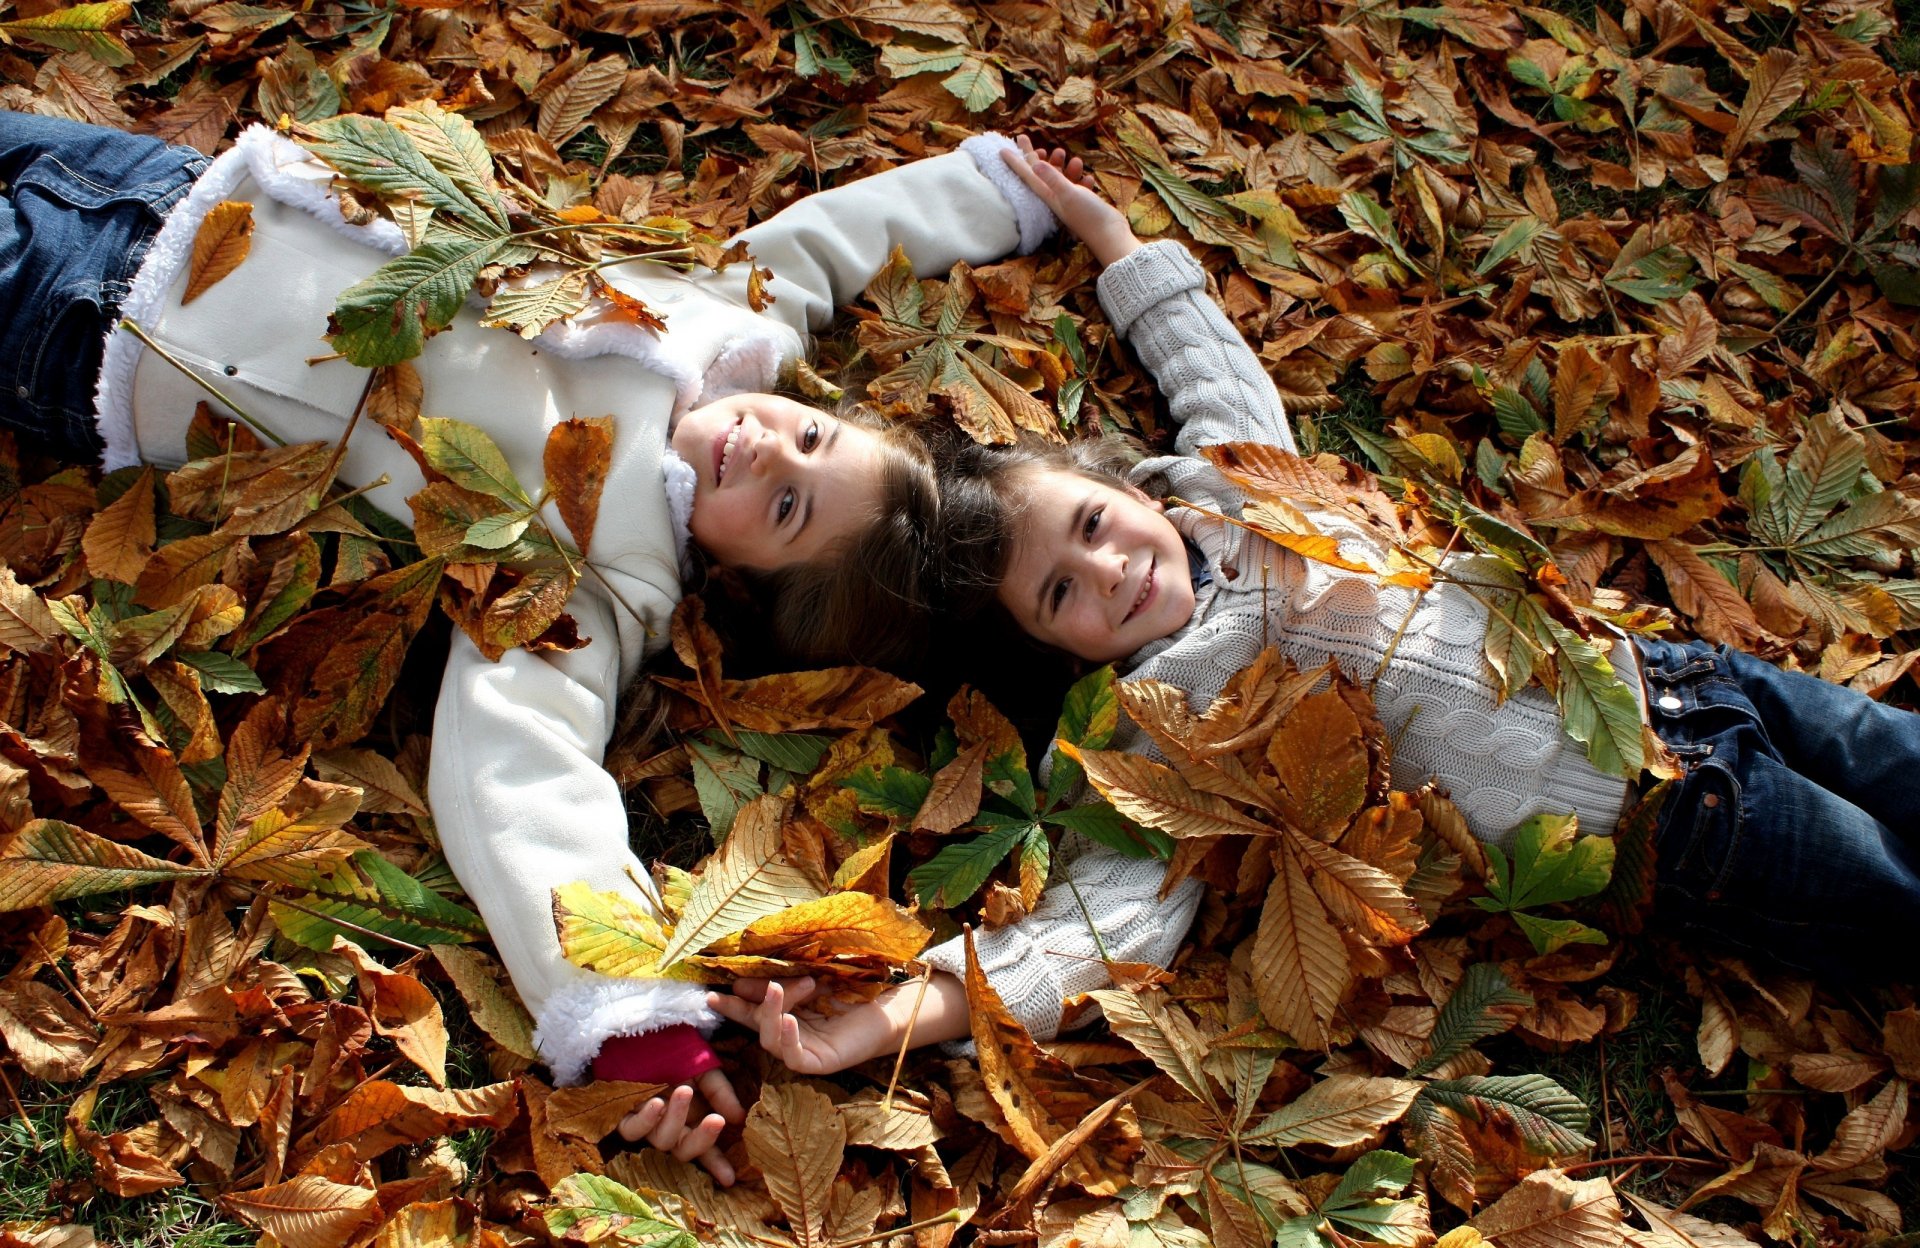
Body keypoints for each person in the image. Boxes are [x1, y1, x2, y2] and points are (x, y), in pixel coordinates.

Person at [0, 110, 1065, 1181]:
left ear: (746, 587)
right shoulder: (736, 332)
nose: (766, 447)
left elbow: (519, 769)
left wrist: (635, 1019)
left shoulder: (602, 575)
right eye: (810, 436)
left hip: (108, 330)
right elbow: (839, 236)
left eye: (786, 507)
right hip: (210, 190)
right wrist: (1000, 192)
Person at [713, 139, 1920, 1077]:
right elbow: (1095, 928)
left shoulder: (1230, 494)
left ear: (1113, 485)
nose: (1113, 570)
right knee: (1890, 894)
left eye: (1092, 525)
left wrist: (1108, 232)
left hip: (1672, 675)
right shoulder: (1164, 730)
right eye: (1064, 595)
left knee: (1894, 752)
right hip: (1677, 825)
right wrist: (878, 1024)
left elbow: (1209, 366)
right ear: (1050, 650)